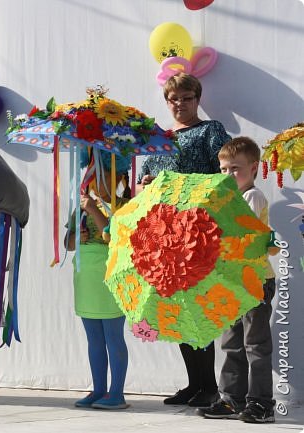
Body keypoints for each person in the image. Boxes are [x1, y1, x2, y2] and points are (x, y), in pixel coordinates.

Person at [139, 73, 231, 407]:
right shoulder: (158, 138)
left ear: (197, 99)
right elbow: (143, 187)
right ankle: (195, 384)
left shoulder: (211, 130)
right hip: (166, 236)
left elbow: (225, 174)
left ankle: (210, 387)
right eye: (173, 99)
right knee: (177, 312)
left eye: (187, 98)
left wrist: (181, 188)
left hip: (198, 233)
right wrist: (148, 183)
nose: (180, 104)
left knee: (197, 311)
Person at [197, 137, 276, 423]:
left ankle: (261, 403)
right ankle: (232, 398)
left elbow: (242, 233)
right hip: (233, 282)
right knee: (232, 342)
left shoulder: (252, 196)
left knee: (255, 344)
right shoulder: (230, 199)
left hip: (255, 281)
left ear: (254, 168)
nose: (228, 175)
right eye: (223, 169)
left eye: (235, 169)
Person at [68, 152, 131, 410]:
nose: (96, 183)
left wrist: (93, 209)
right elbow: (68, 244)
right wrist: (78, 237)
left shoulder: (125, 206)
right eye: (92, 178)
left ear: (115, 178)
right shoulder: (80, 208)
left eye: (103, 177)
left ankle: (117, 393)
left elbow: (114, 237)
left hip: (112, 275)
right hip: (87, 277)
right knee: (93, 338)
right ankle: (98, 390)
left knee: (113, 336)